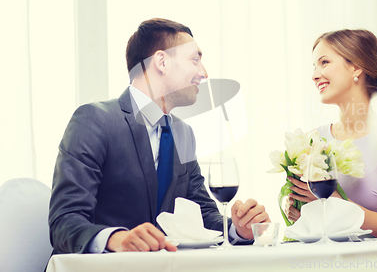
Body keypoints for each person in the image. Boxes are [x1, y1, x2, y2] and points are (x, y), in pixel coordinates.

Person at [49, 18, 270, 254]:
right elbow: (65, 221)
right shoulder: (94, 120)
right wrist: (117, 239)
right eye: (195, 60)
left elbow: (203, 214)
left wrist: (238, 229)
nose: (204, 73)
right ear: (161, 61)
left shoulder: (183, 134)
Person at [285, 29, 377, 238]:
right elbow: (314, 226)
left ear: (356, 67)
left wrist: (337, 204)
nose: (315, 75)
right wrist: (298, 212)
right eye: (314, 66)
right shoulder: (311, 140)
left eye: (324, 62)